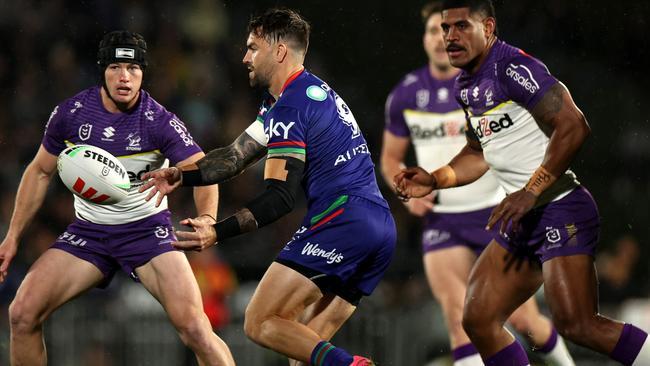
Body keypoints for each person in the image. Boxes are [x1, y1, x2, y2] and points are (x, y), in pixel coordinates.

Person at [394, 0, 650, 365]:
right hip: (523, 215)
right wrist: (435, 178)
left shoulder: (511, 67)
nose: (451, 36)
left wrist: (530, 192)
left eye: (462, 26)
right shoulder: (465, 85)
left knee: (578, 325)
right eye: (445, 28)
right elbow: (478, 152)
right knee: (479, 319)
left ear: (489, 27)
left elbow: (574, 125)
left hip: (560, 207)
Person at [140, 8, 395, 366]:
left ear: (278, 52)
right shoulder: (302, 95)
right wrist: (185, 175)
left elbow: (279, 198)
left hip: (342, 219)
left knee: (259, 322)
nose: (245, 57)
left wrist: (217, 231)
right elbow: (234, 155)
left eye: (253, 48)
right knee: (301, 353)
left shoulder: (291, 106)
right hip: (378, 226)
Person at [0, 31, 235, 366]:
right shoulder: (72, 113)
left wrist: (208, 219)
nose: (125, 77)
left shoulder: (160, 121)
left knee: (195, 329)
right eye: (115, 67)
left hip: (147, 233)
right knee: (21, 314)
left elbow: (203, 172)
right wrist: (12, 236)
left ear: (143, 73)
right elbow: (39, 171)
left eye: (133, 68)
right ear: (102, 71)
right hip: (89, 233)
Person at [381, 2, 574, 365]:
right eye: (437, 30)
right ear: (424, 38)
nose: (444, 39)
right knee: (459, 316)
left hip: (494, 210)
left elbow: (514, 138)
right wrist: (404, 192)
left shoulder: (483, 80)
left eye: (454, 30)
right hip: (443, 220)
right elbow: (390, 157)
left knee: (524, 319)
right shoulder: (405, 94)